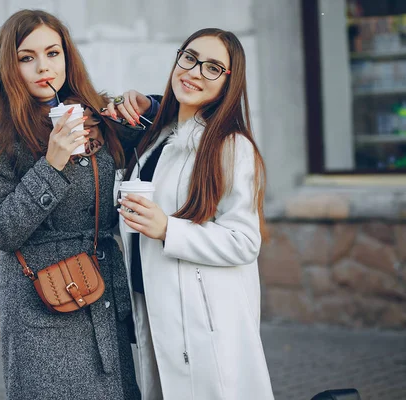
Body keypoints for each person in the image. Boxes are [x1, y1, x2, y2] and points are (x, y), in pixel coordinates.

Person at [0, 10, 141, 400]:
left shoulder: (93, 112)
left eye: (53, 53)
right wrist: (53, 163)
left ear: (67, 56)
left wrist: (137, 111)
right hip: (42, 301)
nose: (44, 67)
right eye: (27, 58)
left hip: (103, 295)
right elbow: (1, 231)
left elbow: (163, 129)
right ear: (9, 66)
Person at [106, 28, 275, 399]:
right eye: (190, 58)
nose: (195, 72)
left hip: (201, 319)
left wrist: (168, 228)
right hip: (153, 304)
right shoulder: (159, 138)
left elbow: (245, 242)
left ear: (229, 83)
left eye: (213, 68)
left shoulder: (230, 147)